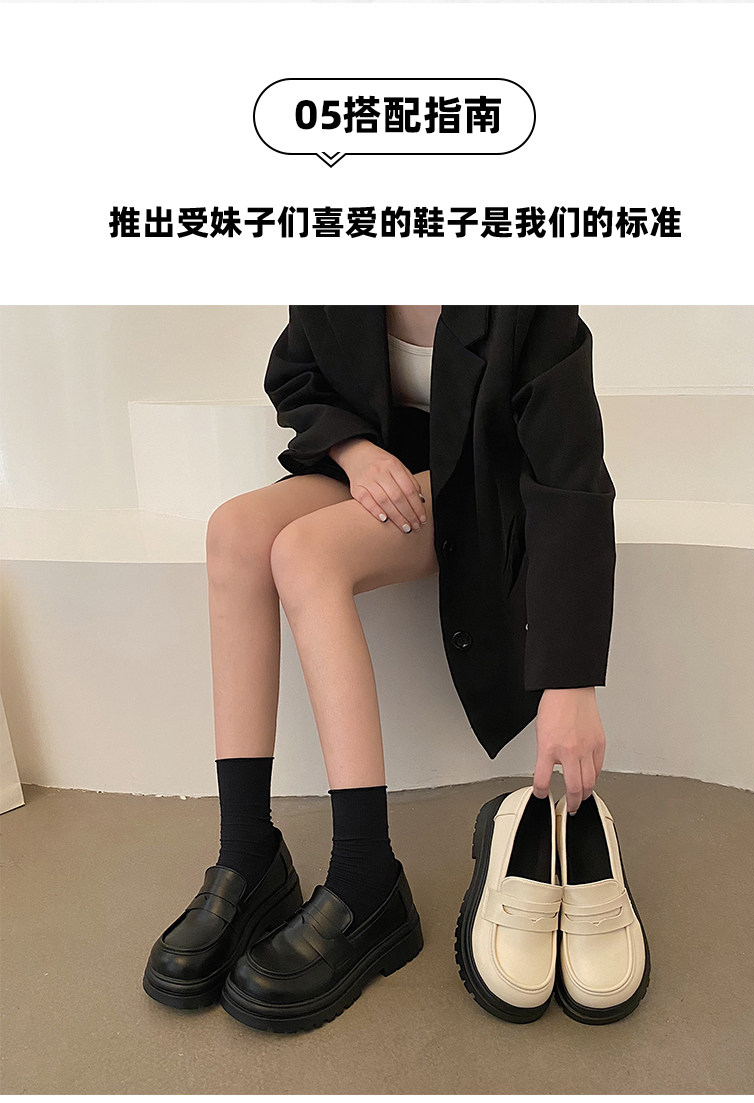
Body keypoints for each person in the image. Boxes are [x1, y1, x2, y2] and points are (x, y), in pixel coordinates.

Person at [142, 304, 649, 1032]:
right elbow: (296, 372)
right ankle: (248, 853)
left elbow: (570, 472)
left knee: (304, 554)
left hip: (479, 490)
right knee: (233, 532)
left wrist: (570, 682)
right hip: (380, 472)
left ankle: (365, 876)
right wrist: (353, 451)